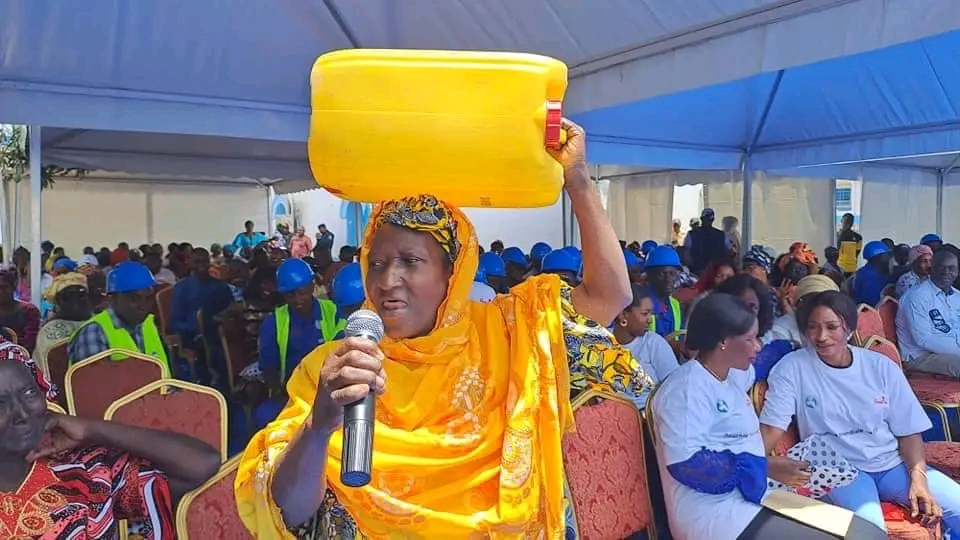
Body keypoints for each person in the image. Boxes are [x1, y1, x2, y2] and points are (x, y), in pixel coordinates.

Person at [235, 119, 638, 538]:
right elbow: (289, 511)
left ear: (454, 273)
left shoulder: (510, 333)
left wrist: (578, 182)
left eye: (410, 261)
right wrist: (319, 427)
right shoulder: (336, 370)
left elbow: (610, 297)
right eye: (376, 263)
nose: (387, 281)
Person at [652, 293, 865, 539]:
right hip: (713, 514)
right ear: (723, 341)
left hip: (750, 496)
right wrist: (762, 466)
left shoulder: (730, 374)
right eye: (750, 339)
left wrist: (791, 346)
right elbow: (687, 465)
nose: (757, 346)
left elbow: (763, 361)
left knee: (864, 533)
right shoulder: (686, 390)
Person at [760, 291, 960, 533]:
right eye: (813, 328)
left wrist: (919, 479)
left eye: (832, 327)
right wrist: (751, 461)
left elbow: (908, 430)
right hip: (838, 468)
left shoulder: (880, 367)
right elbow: (772, 427)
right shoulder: (792, 368)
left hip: (889, 464)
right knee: (870, 531)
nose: (822, 337)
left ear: (849, 328)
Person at [0, 344, 221, 537]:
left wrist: (91, 428)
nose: (21, 413)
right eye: (0, 403)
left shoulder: (88, 472)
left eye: (29, 394)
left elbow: (202, 463)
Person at [253, 258, 345, 431]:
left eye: (301, 293)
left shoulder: (334, 312)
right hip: (291, 392)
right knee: (265, 415)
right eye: (290, 295)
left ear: (311, 286)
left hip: (330, 389)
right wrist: (284, 395)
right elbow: (269, 367)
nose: (297, 300)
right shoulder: (274, 322)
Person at [67, 262, 169, 371]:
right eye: (134, 298)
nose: (143, 305)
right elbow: (94, 385)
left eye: (148, 298)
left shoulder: (148, 324)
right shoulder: (94, 333)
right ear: (112, 299)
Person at [896, 249, 960, 377]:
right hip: (921, 356)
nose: (946, 272)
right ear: (932, 269)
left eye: (951, 268)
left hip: (950, 350)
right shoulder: (917, 297)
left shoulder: (957, 296)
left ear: (958, 272)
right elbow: (924, 340)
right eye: (941, 268)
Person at [611, 283, 678, 390]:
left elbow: (674, 386)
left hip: (644, 406)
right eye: (644, 313)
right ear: (623, 315)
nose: (650, 320)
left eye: (651, 313)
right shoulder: (602, 341)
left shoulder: (654, 343)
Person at [34, 272, 92, 378]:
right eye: (69, 296)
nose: (76, 300)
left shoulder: (99, 324)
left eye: (81, 295)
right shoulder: (49, 330)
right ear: (59, 302)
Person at [768, 274, 839, 346]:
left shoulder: (840, 326)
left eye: (824, 303)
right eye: (810, 302)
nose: (816, 308)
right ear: (798, 304)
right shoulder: (780, 330)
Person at [644, 245, 685, 336]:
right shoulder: (639, 304)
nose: (668, 279)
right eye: (662, 274)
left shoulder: (675, 305)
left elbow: (681, 335)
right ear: (650, 275)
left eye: (672, 273)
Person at [0, 269, 41, 353]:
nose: (1, 292)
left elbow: (29, 343)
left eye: (4, 287)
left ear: (14, 287)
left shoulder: (29, 311)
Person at [683, 208, 730, 275]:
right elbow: (686, 253)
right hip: (699, 271)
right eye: (706, 219)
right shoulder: (692, 234)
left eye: (709, 219)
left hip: (714, 272)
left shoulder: (692, 234)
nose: (707, 221)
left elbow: (729, 252)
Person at [852, 241, 894, 306]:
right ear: (877, 257)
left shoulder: (880, 270)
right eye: (887, 255)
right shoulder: (868, 275)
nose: (889, 257)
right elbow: (872, 302)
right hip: (870, 312)